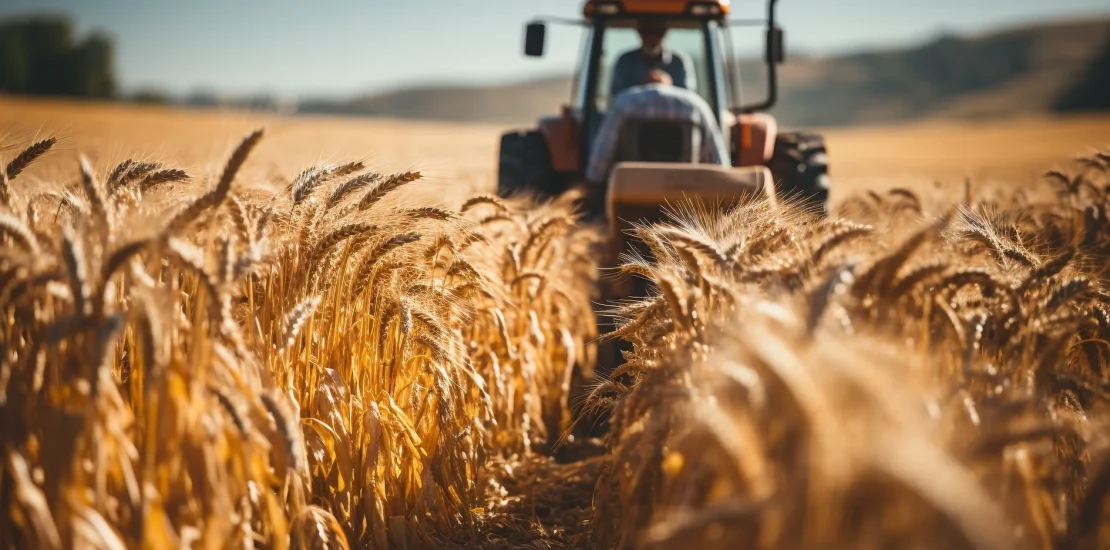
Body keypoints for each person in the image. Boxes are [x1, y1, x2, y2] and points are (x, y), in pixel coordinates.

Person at [584, 69, 730, 186]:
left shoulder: (624, 103)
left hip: (634, 187)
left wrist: (592, 185)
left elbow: (602, 156)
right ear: (671, 84)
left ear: (642, 84)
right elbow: (716, 157)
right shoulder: (697, 105)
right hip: (686, 189)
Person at [609, 20, 697, 99]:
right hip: (633, 116)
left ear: (665, 33)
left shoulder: (679, 62)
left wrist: (665, 89)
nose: (652, 37)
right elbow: (616, 98)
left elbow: (688, 98)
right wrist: (642, 89)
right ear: (639, 32)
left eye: (657, 32)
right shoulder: (625, 61)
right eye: (647, 31)